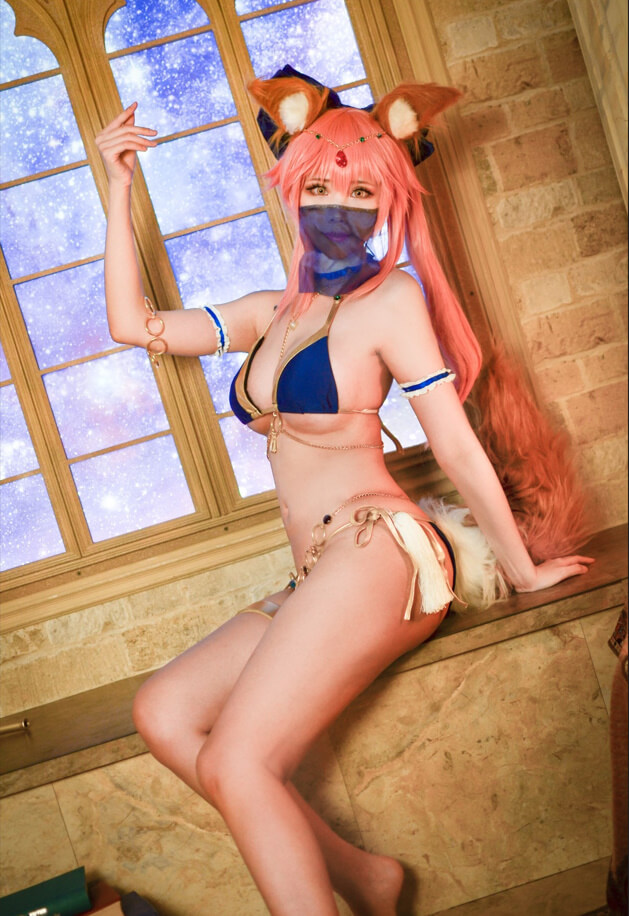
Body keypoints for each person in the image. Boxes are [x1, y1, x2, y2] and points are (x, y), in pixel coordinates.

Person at [96, 69, 593, 916]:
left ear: (389, 201)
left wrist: (522, 569)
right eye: (320, 187)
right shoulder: (270, 313)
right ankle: (363, 878)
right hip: (317, 568)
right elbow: (131, 326)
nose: (338, 207)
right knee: (163, 712)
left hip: (378, 551)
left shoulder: (390, 300)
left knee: (238, 760)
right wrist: (117, 185)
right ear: (291, 188)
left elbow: (453, 443)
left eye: (362, 192)